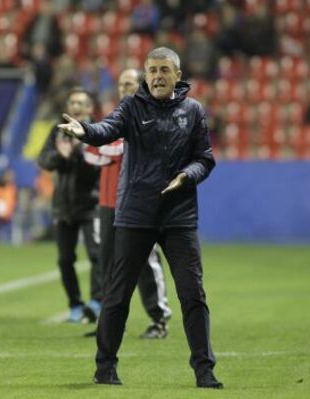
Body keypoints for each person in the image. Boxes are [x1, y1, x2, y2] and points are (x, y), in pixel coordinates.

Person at [58, 47, 223, 389]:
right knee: (117, 294)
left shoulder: (193, 111)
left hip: (179, 215)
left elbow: (205, 159)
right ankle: (105, 368)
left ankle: (204, 371)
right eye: (152, 70)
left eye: (165, 70)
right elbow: (107, 129)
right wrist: (85, 130)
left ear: (178, 75)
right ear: (146, 76)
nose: (158, 76)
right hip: (135, 213)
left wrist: (187, 176)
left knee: (193, 294)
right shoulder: (132, 106)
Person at [84, 68, 172, 339]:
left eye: (130, 83)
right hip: (109, 203)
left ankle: (159, 319)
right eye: (121, 84)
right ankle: (108, 323)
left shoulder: (150, 116)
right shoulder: (115, 117)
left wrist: (106, 147)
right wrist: (107, 147)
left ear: (142, 85)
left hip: (139, 203)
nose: (124, 88)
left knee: (145, 262)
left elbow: (110, 148)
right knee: (108, 265)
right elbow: (90, 152)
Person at [38, 87, 101, 323]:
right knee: (65, 259)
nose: (76, 107)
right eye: (72, 102)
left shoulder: (97, 132)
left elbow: (98, 166)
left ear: (89, 108)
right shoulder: (58, 132)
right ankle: (75, 305)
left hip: (91, 204)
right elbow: (43, 160)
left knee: (97, 256)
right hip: (63, 206)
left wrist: (74, 154)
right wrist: (60, 156)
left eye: (81, 103)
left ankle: (97, 302)